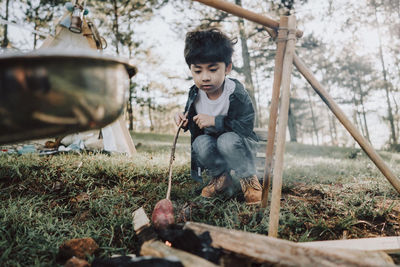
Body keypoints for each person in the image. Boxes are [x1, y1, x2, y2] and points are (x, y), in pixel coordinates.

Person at [174, 28, 262, 205]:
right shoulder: (194, 93)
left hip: (238, 145)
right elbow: (193, 121)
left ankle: (248, 179)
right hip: (213, 147)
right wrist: (184, 121)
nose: (205, 77)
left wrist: (215, 121)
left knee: (226, 140)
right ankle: (221, 179)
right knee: (199, 143)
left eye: (213, 70)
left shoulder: (236, 92)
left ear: (227, 68)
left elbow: (245, 126)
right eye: (198, 71)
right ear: (191, 69)